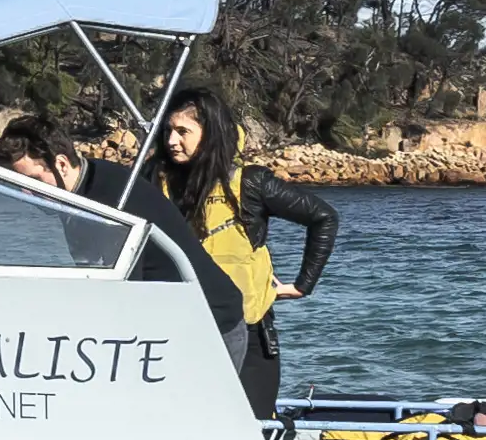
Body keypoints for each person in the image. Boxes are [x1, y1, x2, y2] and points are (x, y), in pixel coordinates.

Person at [123, 95, 343, 420]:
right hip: (179, 330)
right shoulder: (153, 179)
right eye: (168, 130)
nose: (171, 140)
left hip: (250, 333)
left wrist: (302, 285)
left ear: (210, 133)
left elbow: (323, 217)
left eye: (183, 131)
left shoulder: (250, 182)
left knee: (251, 423)